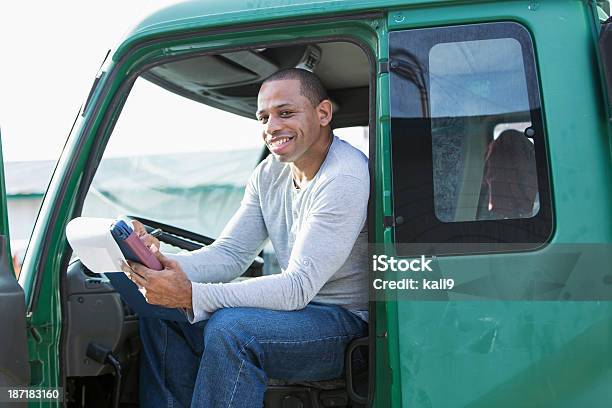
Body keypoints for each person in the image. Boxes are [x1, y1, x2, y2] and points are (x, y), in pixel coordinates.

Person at [122, 68, 370, 407]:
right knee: (163, 313)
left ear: (323, 113)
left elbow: (297, 287)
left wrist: (192, 294)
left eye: (285, 113)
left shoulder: (343, 176)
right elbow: (232, 253)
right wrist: (162, 264)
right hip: (297, 314)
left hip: (342, 324)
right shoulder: (269, 173)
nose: (272, 127)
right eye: (264, 117)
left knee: (232, 329)